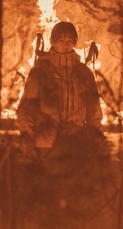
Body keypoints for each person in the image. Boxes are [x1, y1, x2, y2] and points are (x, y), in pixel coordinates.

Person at [17, 21, 103, 161]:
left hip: (76, 144)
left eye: (70, 40)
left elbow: (94, 112)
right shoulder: (40, 71)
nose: (66, 44)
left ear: (75, 42)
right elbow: (26, 110)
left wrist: (96, 140)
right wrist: (27, 141)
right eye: (61, 40)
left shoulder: (84, 73)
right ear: (52, 41)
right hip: (46, 145)